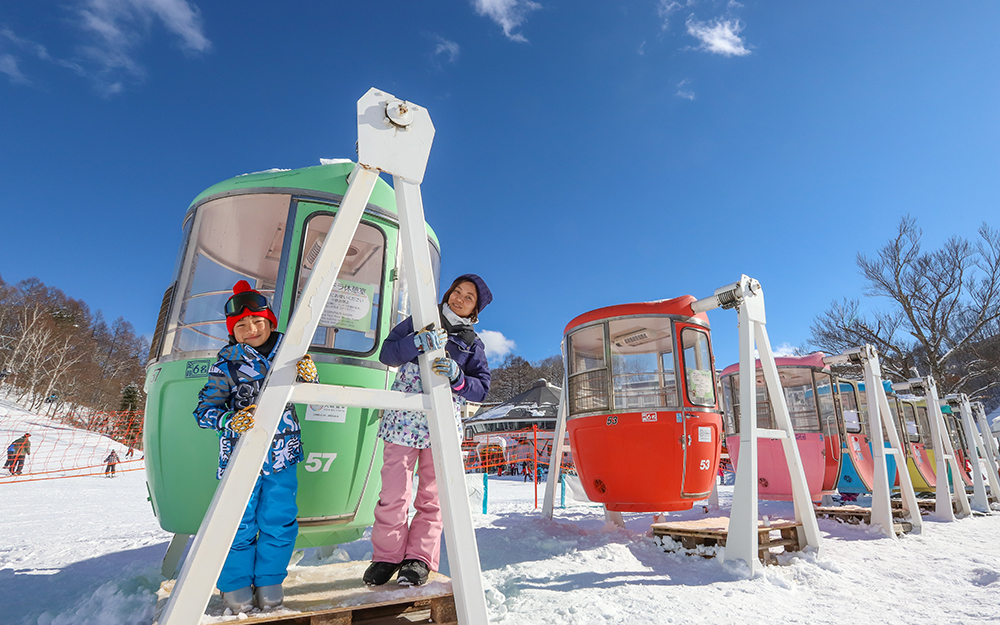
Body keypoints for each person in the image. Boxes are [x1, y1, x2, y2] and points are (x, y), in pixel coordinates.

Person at [193, 280, 317, 613]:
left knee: (279, 519)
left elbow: (311, 395)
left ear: (270, 322)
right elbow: (204, 411)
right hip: (240, 458)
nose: (251, 329)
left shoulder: (290, 355)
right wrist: (228, 421)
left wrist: (308, 376)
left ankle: (270, 580)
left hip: (281, 456)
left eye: (258, 321)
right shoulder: (226, 364)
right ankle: (234, 584)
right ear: (233, 331)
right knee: (238, 521)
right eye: (242, 324)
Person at [364, 274, 492, 587]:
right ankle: (387, 557)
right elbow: (387, 353)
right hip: (404, 419)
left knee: (432, 497)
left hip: (441, 424)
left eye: (468, 297)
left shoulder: (472, 343)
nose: (459, 298)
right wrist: (415, 342)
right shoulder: (419, 320)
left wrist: (459, 377)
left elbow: (482, 389)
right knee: (393, 493)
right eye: (457, 291)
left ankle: (418, 560)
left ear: (475, 310)